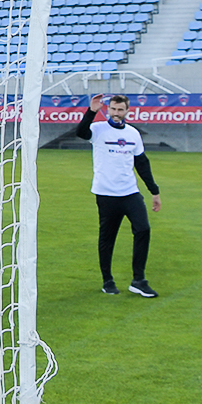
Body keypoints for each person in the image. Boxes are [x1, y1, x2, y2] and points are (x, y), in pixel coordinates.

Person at [75, 94, 162, 298]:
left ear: (127, 111)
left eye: (120, 110)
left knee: (143, 229)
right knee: (107, 238)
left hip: (130, 193)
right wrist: (92, 111)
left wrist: (154, 191)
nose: (116, 113)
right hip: (106, 194)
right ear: (109, 110)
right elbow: (81, 132)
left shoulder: (133, 133)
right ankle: (108, 281)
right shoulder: (98, 130)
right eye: (113, 109)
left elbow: (142, 163)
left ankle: (138, 280)